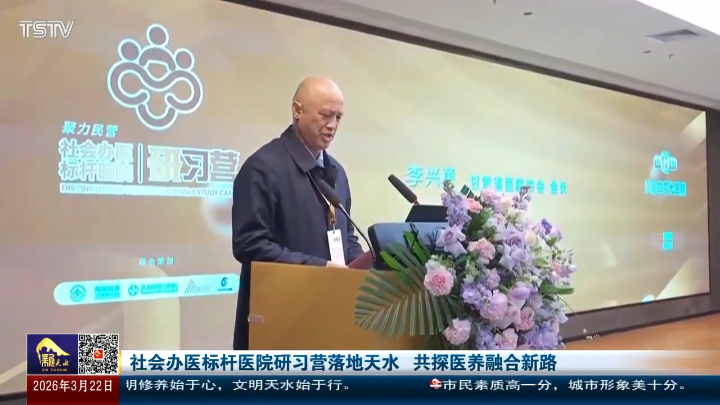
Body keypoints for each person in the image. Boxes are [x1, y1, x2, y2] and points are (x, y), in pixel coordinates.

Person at [231, 77, 365, 350]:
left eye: (339, 117)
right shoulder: (262, 168)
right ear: (297, 110)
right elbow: (250, 244)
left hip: (329, 315)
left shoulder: (337, 172)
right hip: (278, 322)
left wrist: (361, 267)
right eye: (325, 115)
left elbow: (345, 236)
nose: (333, 125)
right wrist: (320, 268)